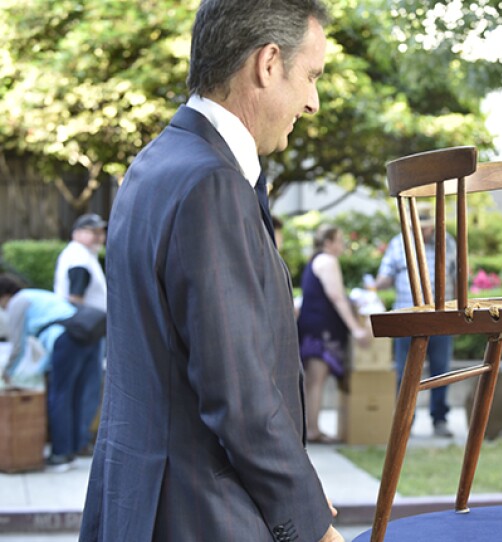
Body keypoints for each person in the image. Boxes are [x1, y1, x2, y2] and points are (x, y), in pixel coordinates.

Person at [79, 1, 343, 541]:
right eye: (311, 76)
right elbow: (239, 395)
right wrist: (309, 522)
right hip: (202, 514)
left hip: (145, 504)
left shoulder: (155, 163)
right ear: (269, 64)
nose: (313, 102)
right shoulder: (211, 184)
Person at [0, 274, 102, 472]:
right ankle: (76, 446)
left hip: (66, 339)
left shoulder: (18, 302)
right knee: (79, 394)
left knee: (60, 395)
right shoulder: (38, 295)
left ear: (4, 296)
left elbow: (18, 347)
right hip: (89, 336)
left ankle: (61, 454)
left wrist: (7, 373)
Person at [375, 204, 457, 437]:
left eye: (429, 227)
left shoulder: (447, 242)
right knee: (405, 372)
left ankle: (439, 420)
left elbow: (457, 276)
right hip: (407, 317)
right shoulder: (398, 243)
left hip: (441, 319)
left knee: (441, 372)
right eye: (422, 228)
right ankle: (405, 421)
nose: (426, 232)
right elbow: (386, 276)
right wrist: (374, 284)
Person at [298, 224, 370, 443]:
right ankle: (312, 430)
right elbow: (336, 296)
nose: (342, 245)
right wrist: (356, 329)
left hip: (314, 326)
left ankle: (311, 428)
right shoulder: (328, 261)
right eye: (339, 240)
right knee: (316, 380)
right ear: (328, 243)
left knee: (313, 380)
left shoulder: (315, 260)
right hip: (321, 330)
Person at [54, 212, 108, 453]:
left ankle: (76, 443)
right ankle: (66, 447)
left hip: (85, 332)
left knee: (80, 390)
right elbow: (75, 297)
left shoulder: (84, 255)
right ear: (77, 233)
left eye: (100, 231)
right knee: (74, 391)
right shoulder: (79, 258)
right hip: (80, 332)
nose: (99, 236)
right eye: (93, 231)